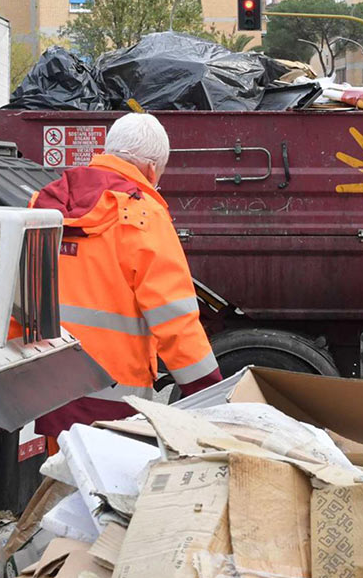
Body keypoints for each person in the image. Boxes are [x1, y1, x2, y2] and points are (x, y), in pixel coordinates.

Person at [30, 113, 222, 441]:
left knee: (56, 485)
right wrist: (209, 392)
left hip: (44, 391)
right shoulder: (142, 215)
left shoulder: (44, 203)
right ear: (150, 169)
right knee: (105, 487)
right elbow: (174, 317)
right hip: (115, 402)